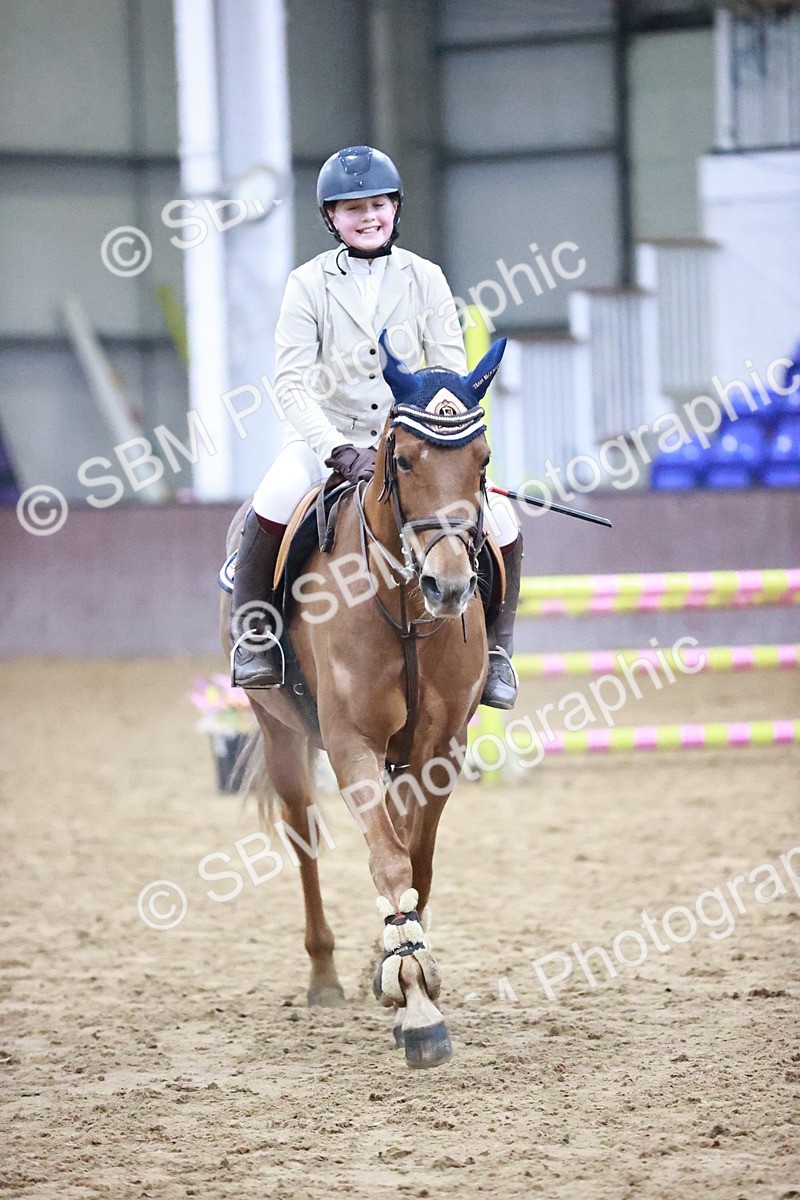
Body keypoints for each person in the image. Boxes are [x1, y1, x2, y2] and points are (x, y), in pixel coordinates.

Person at [231, 144, 522, 708]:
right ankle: (257, 636)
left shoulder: (426, 278)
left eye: (378, 204)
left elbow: (449, 378)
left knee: (503, 523)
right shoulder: (306, 284)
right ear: (330, 218)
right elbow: (290, 383)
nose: (367, 217)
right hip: (327, 437)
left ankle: (497, 653)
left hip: (414, 442)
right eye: (351, 208)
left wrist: (436, 446)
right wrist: (336, 449)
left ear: (395, 207)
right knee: (272, 500)